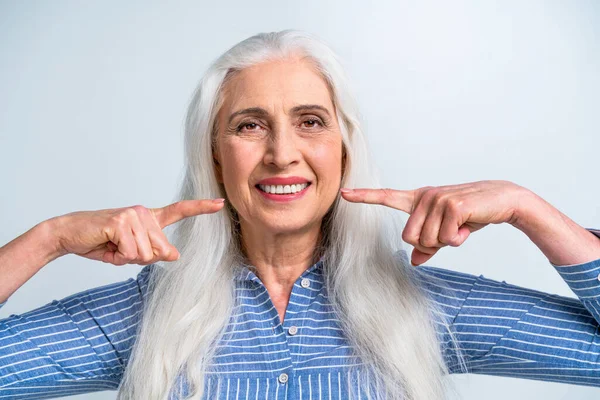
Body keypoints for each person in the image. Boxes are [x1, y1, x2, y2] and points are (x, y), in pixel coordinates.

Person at [1, 30, 599, 400]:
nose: (282, 152)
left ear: (343, 148)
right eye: (249, 125)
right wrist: (48, 239)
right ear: (214, 151)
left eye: (310, 121)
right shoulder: (152, 317)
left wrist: (530, 209)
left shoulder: (422, 308)